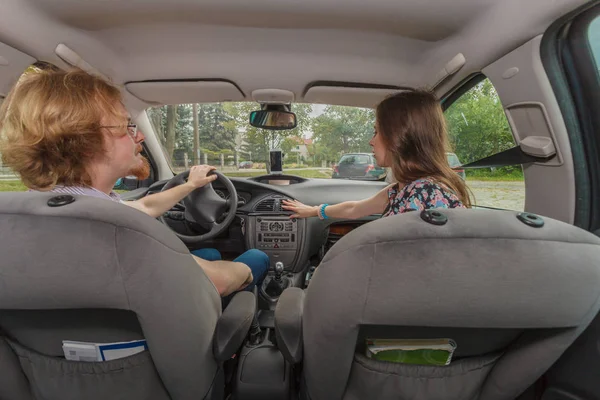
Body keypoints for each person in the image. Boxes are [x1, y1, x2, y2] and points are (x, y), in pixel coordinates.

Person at [0, 68, 268, 298]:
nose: (138, 136)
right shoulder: (123, 233)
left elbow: (144, 206)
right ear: (85, 141)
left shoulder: (23, 216)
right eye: (126, 126)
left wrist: (190, 185)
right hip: (163, 348)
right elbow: (218, 282)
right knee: (255, 258)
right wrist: (243, 270)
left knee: (208, 251)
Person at [282, 90, 471, 219]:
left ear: (398, 136)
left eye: (376, 132)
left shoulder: (425, 193)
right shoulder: (405, 189)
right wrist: (314, 210)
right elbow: (354, 209)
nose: (371, 141)